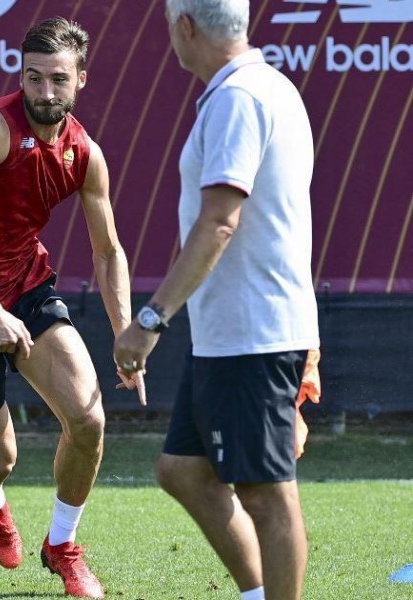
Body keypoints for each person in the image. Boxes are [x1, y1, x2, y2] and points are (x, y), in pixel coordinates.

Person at [0, 17, 144, 599]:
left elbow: (108, 250)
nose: (44, 92)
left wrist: (125, 334)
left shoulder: (85, 153)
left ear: (81, 80)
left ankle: (62, 545)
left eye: (58, 80)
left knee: (88, 420)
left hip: (27, 289)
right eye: (33, 78)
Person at [113, 2, 319, 599]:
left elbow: (220, 223)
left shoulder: (240, 98)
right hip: (237, 331)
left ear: (186, 27)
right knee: (184, 471)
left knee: (265, 492)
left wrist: (150, 320)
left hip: (253, 332)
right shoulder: (263, 86)